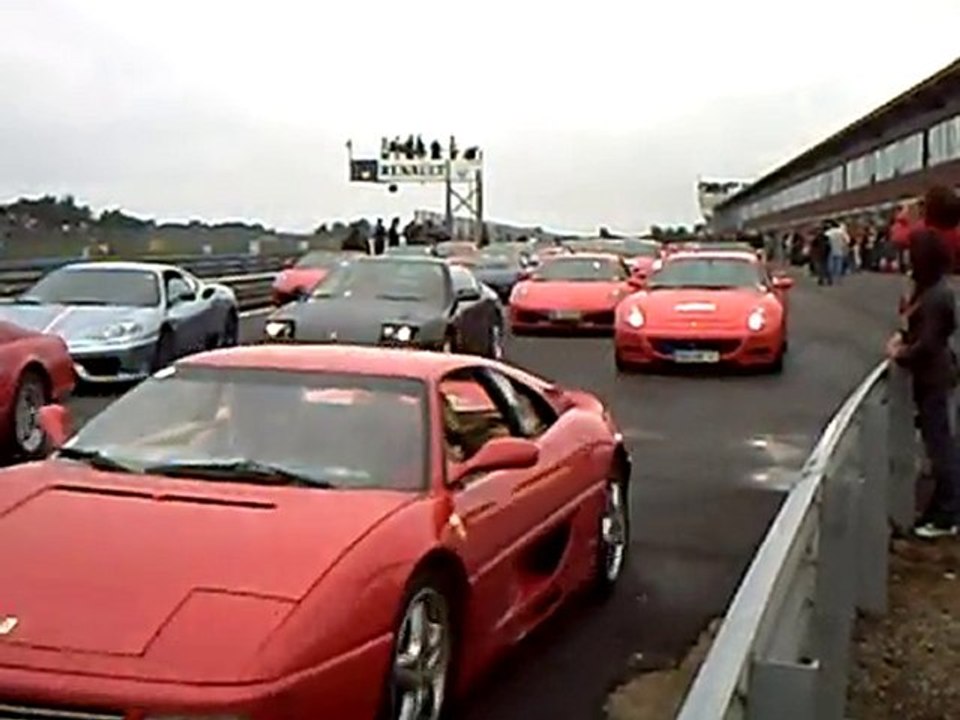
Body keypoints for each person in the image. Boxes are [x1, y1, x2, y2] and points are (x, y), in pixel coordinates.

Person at [887, 215, 960, 538]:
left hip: (933, 378)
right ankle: (941, 508)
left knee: (940, 446)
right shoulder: (930, 290)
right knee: (938, 444)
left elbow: (928, 343)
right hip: (934, 376)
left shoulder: (935, 296)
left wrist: (900, 353)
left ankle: (947, 514)